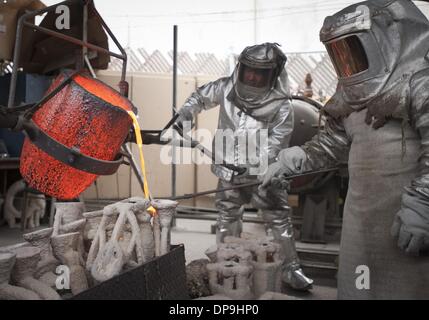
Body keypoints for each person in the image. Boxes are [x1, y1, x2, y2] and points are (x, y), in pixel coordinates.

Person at [262, 0, 429, 299]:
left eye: (353, 50)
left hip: (407, 221)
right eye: (340, 54)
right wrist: (300, 157)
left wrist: (424, 205)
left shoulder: (420, 82)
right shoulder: (350, 95)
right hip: (360, 222)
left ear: (384, 40)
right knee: (357, 288)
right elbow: (334, 142)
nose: (347, 62)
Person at [175, 42, 313, 290]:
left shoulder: (281, 105)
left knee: (278, 218)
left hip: (263, 175)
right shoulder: (227, 87)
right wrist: (185, 114)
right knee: (227, 214)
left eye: (260, 72)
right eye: (248, 69)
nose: (252, 76)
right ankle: (226, 264)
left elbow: (277, 142)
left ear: (272, 74)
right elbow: (199, 97)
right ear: (241, 67)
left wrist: (257, 166)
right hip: (228, 169)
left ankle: (290, 270)